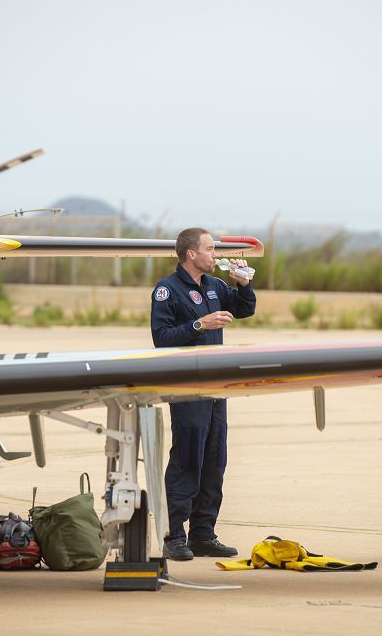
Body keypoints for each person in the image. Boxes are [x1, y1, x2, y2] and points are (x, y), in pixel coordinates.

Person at [151, 227, 256, 561]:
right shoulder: (167, 290)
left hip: (215, 386)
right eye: (210, 249)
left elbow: (244, 309)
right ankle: (174, 536)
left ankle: (203, 534)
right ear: (191, 254)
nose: (216, 254)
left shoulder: (214, 285)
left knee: (214, 459)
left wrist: (243, 284)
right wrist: (200, 325)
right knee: (187, 460)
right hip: (186, 387)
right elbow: (162, 337)